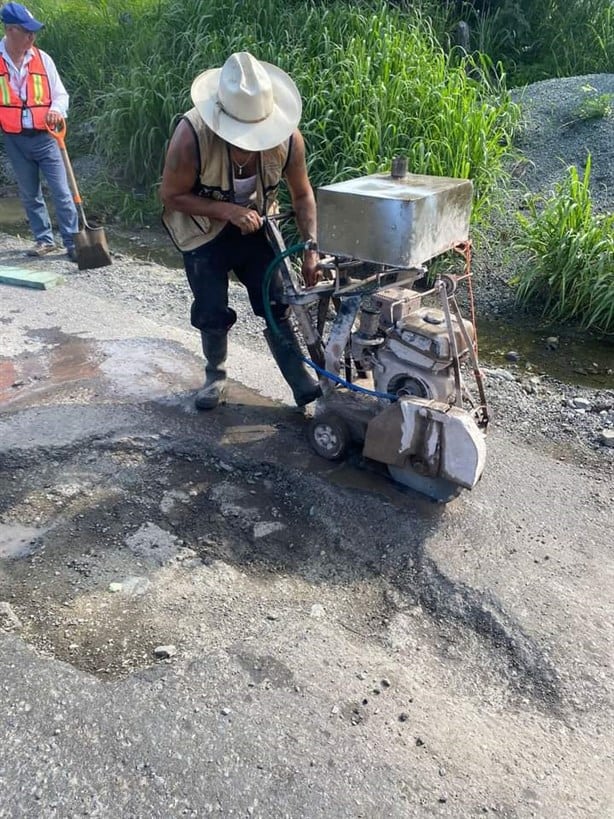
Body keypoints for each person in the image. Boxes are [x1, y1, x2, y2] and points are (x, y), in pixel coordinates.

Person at [160, 51, 322, 410]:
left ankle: (299, 380)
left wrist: (311, 248)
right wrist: (228, 211)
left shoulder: (288, 139)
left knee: (277, 301)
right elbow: (171, 196)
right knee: (211, 307)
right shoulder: (191, 136)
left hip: (258, 225)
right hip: (202, 229)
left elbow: (302, 194)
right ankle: (215, 376)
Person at [0, 2, 78, 260]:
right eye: (27, 32)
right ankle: (44, 240)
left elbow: (61, 95)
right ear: (11, 31)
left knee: (62, 191)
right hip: (13, 138)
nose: (32, 37)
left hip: (46, 137)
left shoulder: (43, 59)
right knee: (29, 192)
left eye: (33, 32)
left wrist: (57, 109)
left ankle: (73, 242)